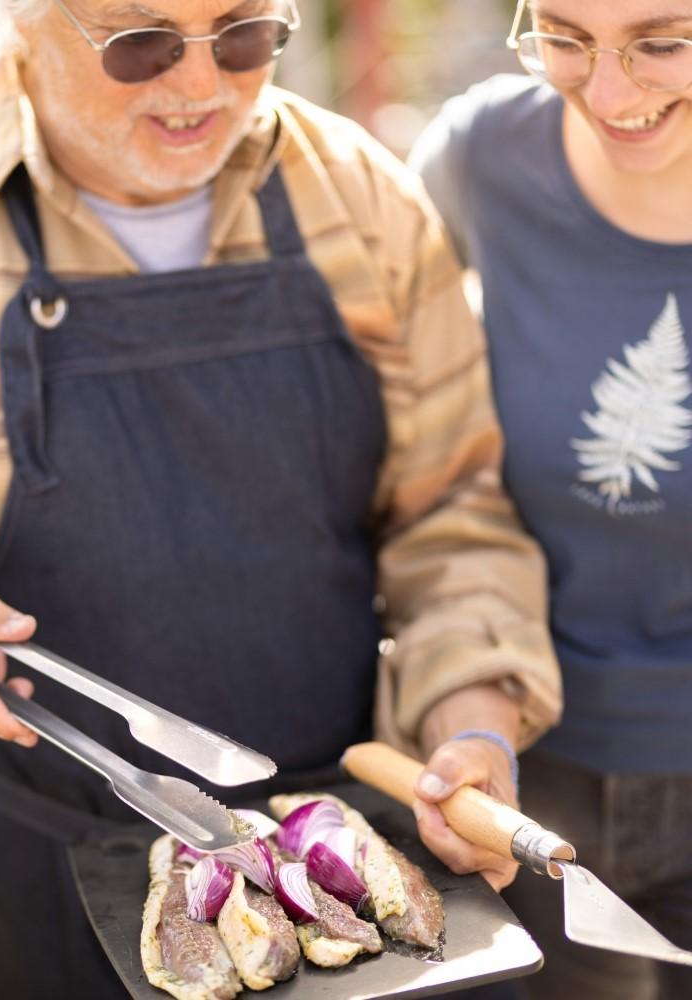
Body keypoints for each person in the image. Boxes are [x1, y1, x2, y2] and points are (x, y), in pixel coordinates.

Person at [0, 0, 560, 996]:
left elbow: (451, 516)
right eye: (138, 44)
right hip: (4, 872)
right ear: (21, 19)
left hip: (324, 873)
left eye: (242, 36)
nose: (195, 85)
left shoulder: (362, 201)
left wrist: (473, 716)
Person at [408, 1, 692, 998]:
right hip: (530, 761)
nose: (610, 93)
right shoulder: (483, 160)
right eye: (565, 37)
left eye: (662, 42)